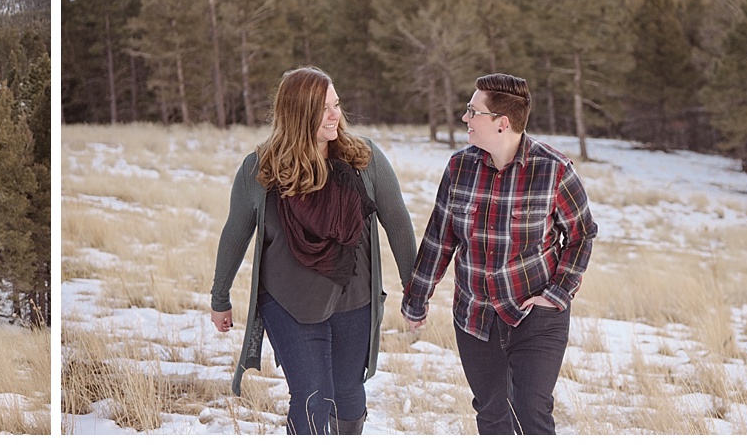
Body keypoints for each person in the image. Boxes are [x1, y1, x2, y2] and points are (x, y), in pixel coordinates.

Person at [210, 66, 417, 435]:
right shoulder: (261, 170)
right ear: (297, 112)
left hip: (354, 298)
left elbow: (397, 220)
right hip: (288, 302)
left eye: (336, 104)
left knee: (349, 394)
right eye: (323, 108)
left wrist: (414, 287)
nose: (335, 115)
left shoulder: (363, 160)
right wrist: (219, 296)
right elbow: (235, 233)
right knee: (311, 396)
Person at [401, 73, 597, 434]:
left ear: (502, 123)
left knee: (530, 412)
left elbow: (582, 234)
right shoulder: (459, 168)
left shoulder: (553, 170)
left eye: (473, 112)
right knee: (492, 415)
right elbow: (439, 239)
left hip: (535, 316)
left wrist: (556, 294)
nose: (465, 118)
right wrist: (416, 299)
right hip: (475, 317)